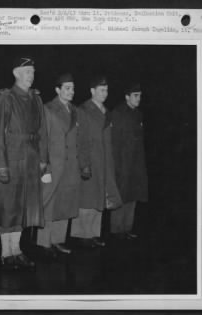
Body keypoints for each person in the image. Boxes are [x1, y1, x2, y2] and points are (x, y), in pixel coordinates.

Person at [0, 56, 48, 270]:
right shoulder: (5, 99)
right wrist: (0, 165)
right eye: (27, 73)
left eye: (33, 73)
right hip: (12, 159)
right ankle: (6, 253)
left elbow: (43, 132)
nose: (31, 77)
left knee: (22, 208)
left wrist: (43, 160)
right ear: (16, 74)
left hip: (31, 161)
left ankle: (16, 250)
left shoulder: (36, 100)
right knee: (7, 208)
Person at [36, 73, 85, 257]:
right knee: (49, 204)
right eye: (67, 88)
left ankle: (57, 241)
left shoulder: (74, 110)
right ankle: (43, 243)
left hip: (70, 165)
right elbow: (42, 140)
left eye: (72, 88)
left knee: (64, 203)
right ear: (58, 90)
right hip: (54, 165)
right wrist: (45, 167)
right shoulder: (48, 109)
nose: (71, 92)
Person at [71, 75, 122, 248]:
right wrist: (84, 163)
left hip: (104, 161)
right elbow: (81, 139)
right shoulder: (84, 110)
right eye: (101, 90)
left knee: (99, 198)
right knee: (86, 199)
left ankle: (92, 234)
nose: (105, 93)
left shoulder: (106, 111)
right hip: (90, 161)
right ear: (92, 91)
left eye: (106, 90)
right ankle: (81, 235)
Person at [110, 83, 148, 240]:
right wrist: (116, 165)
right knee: (121, 195)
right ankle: (116, 230)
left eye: (140, 95)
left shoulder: (138, 114)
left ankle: (126, 228)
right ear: (127, 97)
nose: (138, 99)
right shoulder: (118, 113)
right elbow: (115, 141)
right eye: (135, 95)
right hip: (122, 161)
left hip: (135, 162)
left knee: (132, 195)